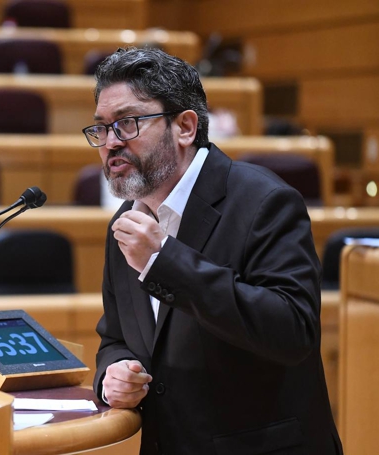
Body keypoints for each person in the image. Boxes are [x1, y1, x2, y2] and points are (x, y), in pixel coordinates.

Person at [82, 47, 342, 455]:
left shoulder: (264, 201)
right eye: (101, 128)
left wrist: (163, 261)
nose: (111, 142)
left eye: (128, 123)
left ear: (184, 127)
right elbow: (116, 336)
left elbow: (293, 331)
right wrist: (112, 373)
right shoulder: (127, 222)